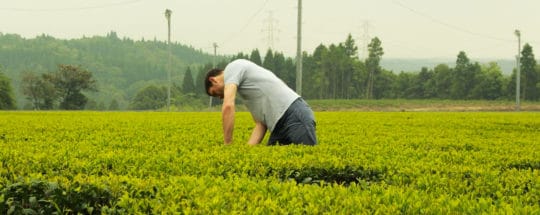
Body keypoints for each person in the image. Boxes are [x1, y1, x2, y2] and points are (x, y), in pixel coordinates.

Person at [205, 59, 317, 146]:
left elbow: (228, 106)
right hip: (278, 127)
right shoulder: (248, 91)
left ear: (213, 80)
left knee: (308, 162)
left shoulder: (232, 68)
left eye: (215, 93)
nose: (220, 97)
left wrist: (227, 144)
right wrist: (244, 153)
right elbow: (260, 124)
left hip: (293, 114)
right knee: (274, 169)